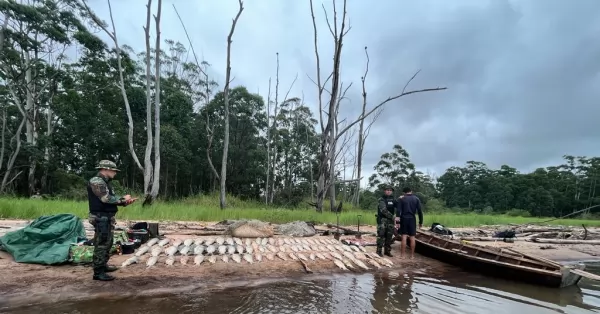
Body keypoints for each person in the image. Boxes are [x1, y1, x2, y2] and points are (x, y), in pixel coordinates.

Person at [88, 160, 137, 281]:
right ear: (105, 169)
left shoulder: (105, 182)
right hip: (100, 217)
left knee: (108, 242)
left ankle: (103, 265)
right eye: (113, 170)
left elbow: (111, 200)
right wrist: (122, 199)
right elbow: (106, 199)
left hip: (106, 216)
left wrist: (124, 202)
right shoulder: (96, 181)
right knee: (102, 244)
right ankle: (98, 272)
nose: (115, 173)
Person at [396, 187, 423, 259]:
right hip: (412, 219)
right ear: (411, 191)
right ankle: (412, 256)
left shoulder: (402, 199)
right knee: (412, 237)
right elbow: (420, 211)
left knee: (404, 237)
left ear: (404, 192)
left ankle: (402, 255)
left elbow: (398, 211)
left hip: (404, 218)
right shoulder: (416, 199)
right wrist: (421, 222)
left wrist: (397, 222)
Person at [376, 186, 397, 257]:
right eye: (387, 190)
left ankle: (387, 251)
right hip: (382, 220)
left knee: (389, 236)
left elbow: (398, 206)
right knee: (381, 235)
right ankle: (379, 251)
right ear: (384, 191)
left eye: (390, 190)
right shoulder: (381, 199)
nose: (389, 191)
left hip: (390, 221)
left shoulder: (393, 199)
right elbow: (383, 210)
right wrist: (393, 217)